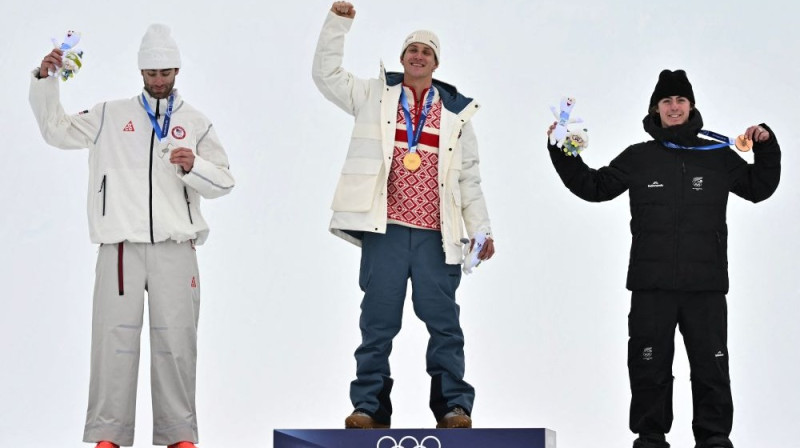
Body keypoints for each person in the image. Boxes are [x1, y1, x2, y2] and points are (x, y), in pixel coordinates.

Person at [547, 69, 780, 448]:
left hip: (704, 287)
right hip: (651, 287)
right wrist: (562, 149)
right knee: (648, 365)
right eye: (667, 102)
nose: (674, 107)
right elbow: (595, 187)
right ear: (655, 110)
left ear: (691, 107)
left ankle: (715, 438)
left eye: (680, 101)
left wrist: (766, 146)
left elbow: (759, 188)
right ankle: (650, 436)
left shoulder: (718, 156)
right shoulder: (639, 158)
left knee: (711, 367)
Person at [30, 24, 234, 448]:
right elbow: (55, 130)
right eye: (151, 73)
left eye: (165, 72)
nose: (158, 80)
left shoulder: (195, 122)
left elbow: (225, 181)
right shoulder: (110, 114)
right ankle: (109, 435)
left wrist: (193, 165)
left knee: (176, 342)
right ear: (140, 72)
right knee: (112, 342)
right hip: (119, 248)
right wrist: (46, 81)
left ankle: (180, 436)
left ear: (176, 69)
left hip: (176, 250)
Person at [312, 1, 495, 430]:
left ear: (436, 62)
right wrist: (338, 24)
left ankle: (454, 407)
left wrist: (481, 230)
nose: (418, 56)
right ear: (401, 58)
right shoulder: (375, 95)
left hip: (436, 235)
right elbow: (326, 75)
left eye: (426, 52)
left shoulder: (456, 115)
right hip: (387, 230)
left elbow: (469, 178)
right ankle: (369, 408)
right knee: (377, 324)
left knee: (445, 325)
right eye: (412, 49)